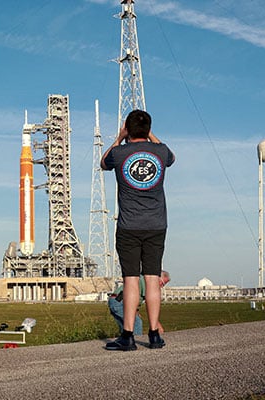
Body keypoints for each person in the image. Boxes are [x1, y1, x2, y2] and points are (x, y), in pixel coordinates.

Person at [101, 109, 175, 351]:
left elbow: (103, 163)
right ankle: (154, 335)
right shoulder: (161, 152)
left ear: (127, 129)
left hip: (129, 226)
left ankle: (128, 336)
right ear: (148, 129)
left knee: (131, 279)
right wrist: (150, 135)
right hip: (156, 225)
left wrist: (119, 138)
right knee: (152, 280)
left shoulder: (120, 153)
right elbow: (171, 157)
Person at [108, 271, 170, 336]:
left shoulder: (142, 279)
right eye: (162, 283)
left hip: (115, 301)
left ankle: (125, 341)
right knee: (136, 322)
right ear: (157, 278)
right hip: (119, 302)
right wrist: (157, 326)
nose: (162, 286)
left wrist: (136, 311)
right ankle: (135, 341)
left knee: (127, 328)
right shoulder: (148, 283)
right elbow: (150, 307)